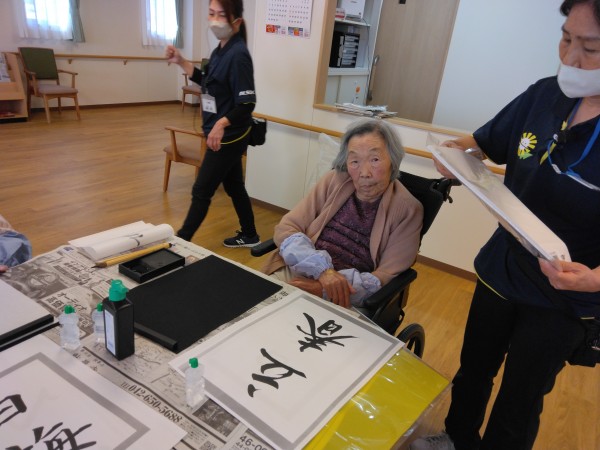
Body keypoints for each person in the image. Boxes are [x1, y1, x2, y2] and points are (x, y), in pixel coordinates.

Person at [410, 1, 600, 449]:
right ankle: (456, 439)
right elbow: (481, 143)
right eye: (566, 38)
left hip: (564, 295)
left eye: (590, 47)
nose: (570, 57)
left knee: (520, 399)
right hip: (504, 266)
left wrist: (593, 280)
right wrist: (454, 153)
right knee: (474, 369)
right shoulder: (543, 96)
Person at [262, 118, 423, 308]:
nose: (364, 173)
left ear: (393, 161)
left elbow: (385, 276)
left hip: (350, 294)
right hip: (299, 269)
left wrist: (323, 289)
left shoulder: (408, 210)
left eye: (375, 160)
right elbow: (287, 228)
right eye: (355, 161)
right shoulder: (334, 180)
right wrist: (322, 271)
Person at [165, 0, 260, 247]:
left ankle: (181, 241)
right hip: (221, 133)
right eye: (211, 13)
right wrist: (181, 61)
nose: (215, 20)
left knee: (201, 190)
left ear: (236, 21)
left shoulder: (238, 55)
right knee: (235, 186)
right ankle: (250, 234)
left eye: (222, 15)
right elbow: (206, 81)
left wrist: (221, 125)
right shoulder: (220, 50)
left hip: (228, 137)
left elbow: (247, 103)